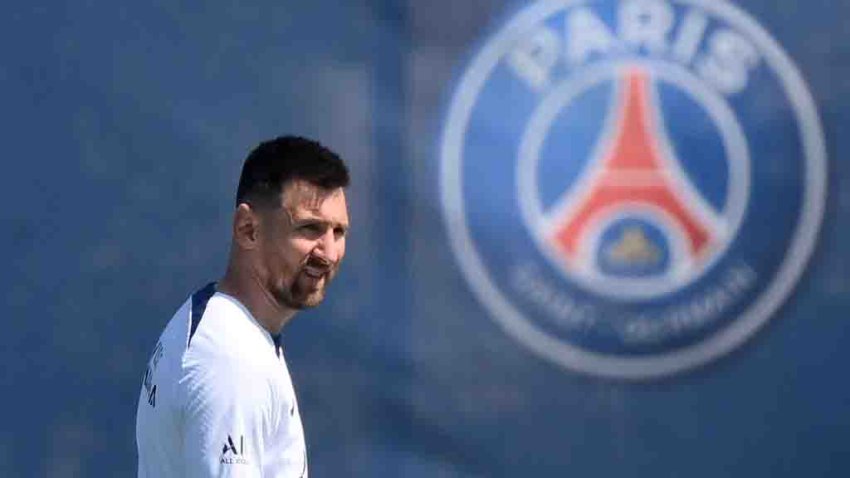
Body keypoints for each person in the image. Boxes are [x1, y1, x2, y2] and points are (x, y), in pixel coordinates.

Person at [136, 136, 350, 477]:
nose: (329, 252)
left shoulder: (220, 325)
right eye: (310, 228)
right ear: (248, 229)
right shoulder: (232, 361)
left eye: (338, 232)